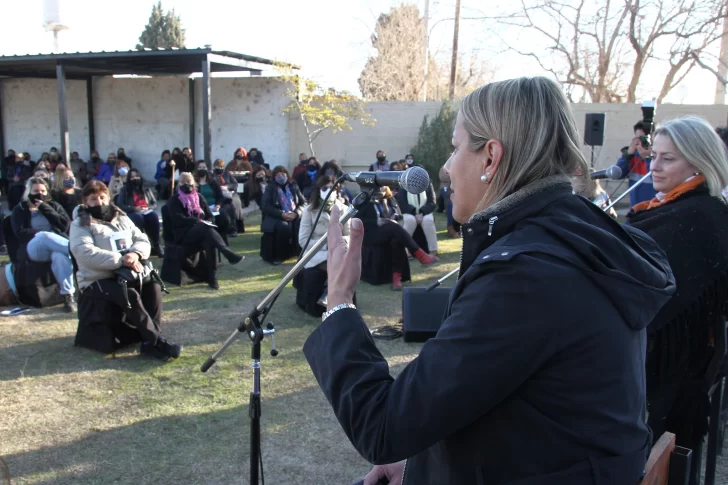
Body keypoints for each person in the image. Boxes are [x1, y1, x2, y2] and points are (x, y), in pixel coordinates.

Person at [303, 77, 676, 485]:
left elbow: (385, 426)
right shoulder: (577, 236)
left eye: (455, 147)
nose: (445, 168)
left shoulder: (525, 276)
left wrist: (339, 302)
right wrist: (420, 465)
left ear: (491, 157)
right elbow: (517, 405)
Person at [625, 116, 728, 465]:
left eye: (668, 159)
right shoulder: (670, 210)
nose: (654, 166)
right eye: (654, 156)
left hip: (669, 377)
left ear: (699, 161)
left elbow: (663, 299)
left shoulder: (697, 216)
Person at [69, 180, 181, 361]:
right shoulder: (80, 224)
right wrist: (121, 261)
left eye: (102, 197)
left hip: (128, 273)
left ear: (108, 197)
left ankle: (147, 344)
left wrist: (135, 254)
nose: (99, 202)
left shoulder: (121, 216)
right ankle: (157, 341)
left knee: (153, 287)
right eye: (93, 199)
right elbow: (85, 253)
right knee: (129, 295)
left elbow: (141, 239)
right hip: (96, 278)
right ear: (85, 202)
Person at [167, 172, 245, 290]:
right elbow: (178, 219)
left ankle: (212, 278)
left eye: (189, 182)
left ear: (194, 183)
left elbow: (210, 216)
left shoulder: (199, 197)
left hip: (201, 231)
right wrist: (197, 221)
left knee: (209, 239)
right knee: (205, 228)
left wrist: (204, 221)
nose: (187, 184)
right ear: (179, 184)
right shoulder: (174, 200)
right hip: (184, 234)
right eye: (184, 182)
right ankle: (226, 252)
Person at [11, 177, 76, 312]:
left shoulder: (53, 206)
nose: (39, 193)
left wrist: (44, 207)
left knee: (60, 257)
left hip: (56, 246)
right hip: (33, 248)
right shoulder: (20, 209)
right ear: (28, 191)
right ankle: (79, 252)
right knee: (44, 235)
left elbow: (65, 226)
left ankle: (68, 296)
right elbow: (20, 232)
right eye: (35, 191)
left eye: (42, 190)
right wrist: (42, 233)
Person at [358, 186, 436, 290]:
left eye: (383, 187)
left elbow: (398, 214)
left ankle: (396, 278)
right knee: (394, 228)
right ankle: (420, 254)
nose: (381, 190)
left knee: (397, 239)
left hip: (389, 232)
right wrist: (377, 221)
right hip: (371, 234)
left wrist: (394, 218)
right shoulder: (366, 200)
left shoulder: (390, 199)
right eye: (379, 188)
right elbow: (357, 219)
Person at [298, 175, 351, 307]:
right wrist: (327, 245)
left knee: (340, 263)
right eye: (325, 188)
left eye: (332, 188)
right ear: (318, 190)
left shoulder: (344, 209)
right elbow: (303, 240)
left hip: (338, 250)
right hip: (316, 254)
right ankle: (329, 295)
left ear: (337, 190)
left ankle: (330, 295)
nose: (329, 191)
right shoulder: (309, 210)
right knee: (334, 264)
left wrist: (337, 244)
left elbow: (349, 236)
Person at [260, 166, 305, 265]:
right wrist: (282, 214)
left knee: (300, 224)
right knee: (283, 227)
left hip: (293, 214)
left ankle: (299, 253)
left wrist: (296, 213)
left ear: (287, 175)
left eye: (283, 174)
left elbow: (303, 203)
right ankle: (280, 256)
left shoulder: (293, 185)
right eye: (277, 175)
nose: (281, 177)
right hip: (276, 217)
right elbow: (265, 205)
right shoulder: (270, 187)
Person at [115, 168, 163, 257]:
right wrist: (134, 208)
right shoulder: (124, 190)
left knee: (154, 216)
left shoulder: (146, 189)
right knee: (138, 218)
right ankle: (140, 243)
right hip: (131, 212)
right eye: (132, 177)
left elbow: (154, 203)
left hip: (145, 211)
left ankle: (156, 245)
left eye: (136, 176)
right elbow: (120, 205)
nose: (135, 178)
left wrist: (147, 208)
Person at [609, 121, 656, 206]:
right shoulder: (633, 156)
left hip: (654, 207)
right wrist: (628, 154)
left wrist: (648, 158)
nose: (642, 142)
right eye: (639, 138)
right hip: (635, 207)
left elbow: (656, 177)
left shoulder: (659, 157)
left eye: (645, 138)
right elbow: (618, 174)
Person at [395, 169, 439, 257]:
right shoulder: (404, 185)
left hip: (425, 212)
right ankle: (404, 250)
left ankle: (433, 251)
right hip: (409, 212)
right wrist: (414, 213)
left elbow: (432, 202)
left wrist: (422, 212)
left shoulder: (427, 184)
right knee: (410, 221)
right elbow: (401, 202)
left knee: (428, 221)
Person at [193, 161, 232, 241]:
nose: (202, 169)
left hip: (214, 208)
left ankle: (222, 238)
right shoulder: (194, 184)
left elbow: (220, 197)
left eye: (204, 167)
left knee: (225, 218)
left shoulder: (213, 183)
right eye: (200, 168)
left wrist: (218, 205)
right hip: (201, 209)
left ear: (207, 169)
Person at [213, 158, 245, 235]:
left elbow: (235, 184)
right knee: (227, 206)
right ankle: (229, 228)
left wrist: (227, 187)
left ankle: (233, 228)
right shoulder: (211, 175)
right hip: (217, 195)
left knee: (234, 203)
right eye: (217, 167)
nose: (219, 168)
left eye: (221, 167)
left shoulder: (227, 174)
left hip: (229, 193)